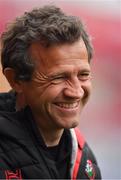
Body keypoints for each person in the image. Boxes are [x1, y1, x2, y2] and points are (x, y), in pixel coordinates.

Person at [0, 5, 101, 179]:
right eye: (59, 77)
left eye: (83, 75)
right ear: (16, 80)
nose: (76, 92)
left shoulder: (84, 159)